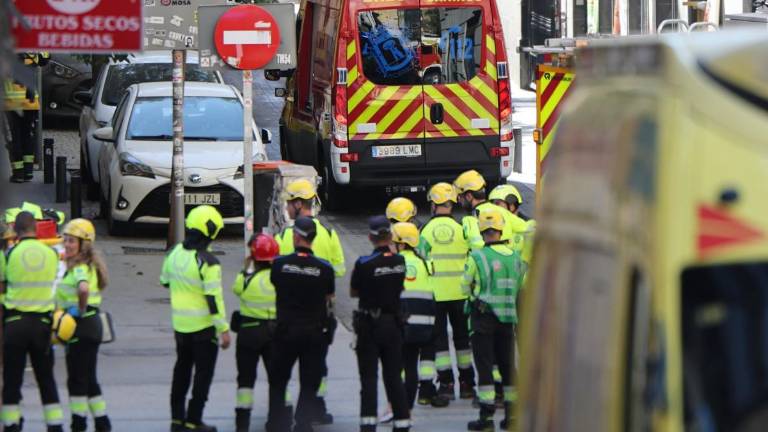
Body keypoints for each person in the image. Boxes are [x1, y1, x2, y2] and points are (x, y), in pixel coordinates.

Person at [276, 179, 343, 425]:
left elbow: (275, 271)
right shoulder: (328, 233)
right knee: (317, 366)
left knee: (283, 367)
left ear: (298, 203)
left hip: (289, 313)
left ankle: (282, 413)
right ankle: (317, 408)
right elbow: (339, 269)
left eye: (289, 202)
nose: (287, 207)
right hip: (319, 312)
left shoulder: (284, 235)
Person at [160, 205, 231, 432]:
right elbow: (213, 299)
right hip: (204, 329)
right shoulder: (208, 262)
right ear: (210, 232)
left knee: (181, 371)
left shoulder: (174, 254)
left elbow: (165, 281)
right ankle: (193, 421)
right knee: (202, 376)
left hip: (180, 328)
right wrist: (224, 329)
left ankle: (177, 421)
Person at [268, 216, 335, 432]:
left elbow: (274, 285)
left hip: (286, 331)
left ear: (296, 237)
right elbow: (329, 297)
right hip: (313, 332)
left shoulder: (279, 264)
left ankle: (278, 422)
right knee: (309, 382)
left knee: (279, 379)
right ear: (313, 239)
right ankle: (303, 423)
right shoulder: (324, 268)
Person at [462, 207, 525, 431]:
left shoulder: (477, 256)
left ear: (482, 231)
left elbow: (464, 286)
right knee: (508, 367)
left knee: (486, 366)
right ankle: (513, 417)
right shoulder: (516, 258)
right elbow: (520, 287)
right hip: (508, 320)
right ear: (500, 229)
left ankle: (486, 418)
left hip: (483, 319)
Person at [1, 211, 64, 431]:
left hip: (15, 325)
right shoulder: (51, 254)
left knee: (12, 381)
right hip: (42, 326)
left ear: (16, 231)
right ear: (36, 229)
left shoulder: (10, 255)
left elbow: (3, 285)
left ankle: (11, 425)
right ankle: (55, 425)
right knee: (46, 380)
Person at [351, 216, 411, 432]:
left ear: (370, 237)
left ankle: (368, 425)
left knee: (368, 379)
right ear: (390, 237)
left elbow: (353, 291)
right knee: (394, 377)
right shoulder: (400, 262)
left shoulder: (364, 263)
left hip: (370, 325)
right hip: (394, 324)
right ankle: (402, 424)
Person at [419, 182, 474, 402]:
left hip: (436, 295)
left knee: (439, 342)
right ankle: (468, 383)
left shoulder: (426, 231)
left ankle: (446, 383)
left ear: (433, 204)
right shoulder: (462, 229)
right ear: (452, 204)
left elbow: (421, 260)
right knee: (462, 341)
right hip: (461, 294)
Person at [57, 219, 111, 432]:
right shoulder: (85, 265)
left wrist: (78, 310)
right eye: (66, 240)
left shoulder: (80, 267)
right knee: (88, 378)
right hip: (91, 325)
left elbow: (83, 289)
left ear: (83, 245)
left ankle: (78, 424)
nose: (67, 245)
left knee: (77, 380)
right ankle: (102, 422)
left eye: (71, 241)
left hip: (81, 325)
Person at [391, 222, 447, 410]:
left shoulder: (394, 263)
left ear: (400, 243)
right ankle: (417, 399)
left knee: (402, 364)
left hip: (403, 321)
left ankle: (400, 405)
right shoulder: (425, 262)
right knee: (419, 361)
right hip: (425, 321)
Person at [232, 233, 280, 432]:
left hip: (249, 334)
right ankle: (277, 422)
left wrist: (247, 266)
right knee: (277, 379)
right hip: (274, 335)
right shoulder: (279, 281)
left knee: (245, 381)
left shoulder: (244, 280)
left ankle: (242, 424)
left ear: (253, 257)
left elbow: (236, 288)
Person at [454, 170, 528, 254]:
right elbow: (528, 229)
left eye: (460, 196)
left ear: (469, 196)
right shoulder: (502, 211)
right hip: (508, 262)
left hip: (486, 264)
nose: (458, 200)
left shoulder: (471, 219)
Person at [4, 53, 48, 182]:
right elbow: (45, 58)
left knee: (14, 138)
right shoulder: (31, 49)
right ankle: (28, 171)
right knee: (27, 136)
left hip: (11, 103)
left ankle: (18, 173)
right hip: (30, 103)